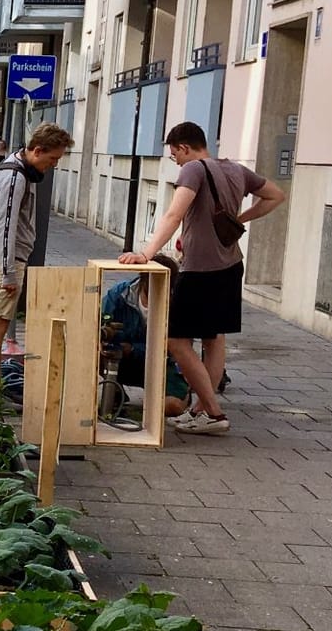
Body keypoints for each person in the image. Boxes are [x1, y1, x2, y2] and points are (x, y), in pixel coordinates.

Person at [118, 121, 286, 435]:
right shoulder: (236, 170)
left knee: (176, 341)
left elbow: (174, 213)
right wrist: (240, 219)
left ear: (184, 147)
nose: (176, 162)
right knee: (213, 338)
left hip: (200, 270)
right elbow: (277, 195)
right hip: (230, 266)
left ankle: (213, 411)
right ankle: (200, 411)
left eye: (174, 155)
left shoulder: (193, 169)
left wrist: (146, 253)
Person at [0, 123, 75, 386]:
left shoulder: (19, 172)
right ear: (37, 150)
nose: (53, 165)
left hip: (2, 260)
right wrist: (8, 272)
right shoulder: (14, 177)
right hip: (1, 263)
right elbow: (4, 226)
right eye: (52, 158)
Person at [101, 254, 189, 420]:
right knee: (94, 352)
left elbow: (175, 350)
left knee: (172, 407)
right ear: (143, 278)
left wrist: (133, 349)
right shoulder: (120, 295)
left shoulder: (177, 303)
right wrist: (104, 340)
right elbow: (99, 323)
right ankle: (115, 391)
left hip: (162, 365)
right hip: (123, 361)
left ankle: (180, 392)